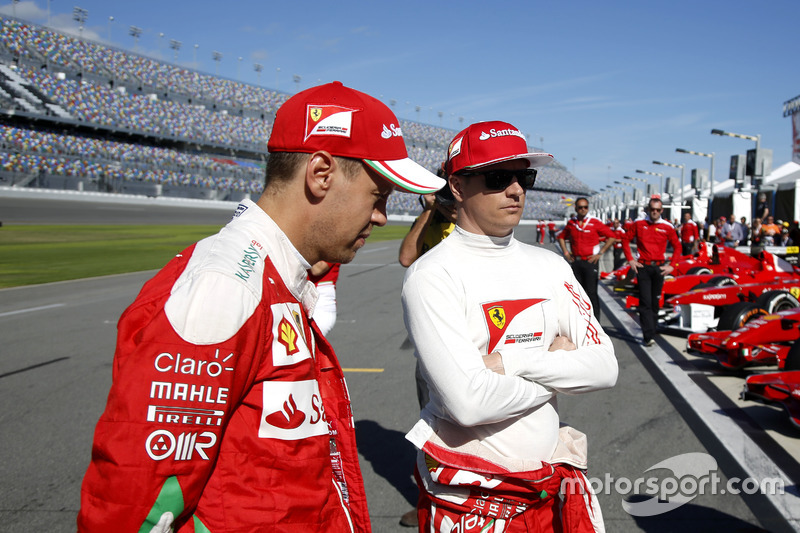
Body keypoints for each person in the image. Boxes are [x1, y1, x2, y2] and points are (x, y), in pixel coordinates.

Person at [77, 81, 445, 533]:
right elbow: (136, 502)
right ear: (321, 174)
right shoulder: (226, 288)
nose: (382, 216)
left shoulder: (278, 277)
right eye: (379, 195)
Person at [402, 120, 617, 531]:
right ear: (458, 187)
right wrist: (557, 365)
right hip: (470, 500)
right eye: (499, 177)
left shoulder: (551, 266)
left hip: (548, 483)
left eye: (524, 177)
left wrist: (508, 361)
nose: (516, 190)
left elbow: (605, 368)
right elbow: (469, 404)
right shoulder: (432, 275)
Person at [622, 196, 682, 347]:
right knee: (645, 302)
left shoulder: (667, 226)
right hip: (643, 267)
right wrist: (630, 259)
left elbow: (677, 247)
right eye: (652, 209)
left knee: (655, 303)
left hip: (659, 269)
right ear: (648, 210)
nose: (655, 212)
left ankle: (652, 330)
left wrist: (672, 265)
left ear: (661, 211)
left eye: (657, 210)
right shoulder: (639, 224)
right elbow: (625, 240)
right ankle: (647, 335)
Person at [557, 197, 616, 319]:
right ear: (576, 208)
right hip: (576, 262)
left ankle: (595, 322)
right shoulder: (572, 223)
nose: (583, 210)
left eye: (585, 207)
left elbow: (612, 237)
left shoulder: (594, 222)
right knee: (577, 293)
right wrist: (566, 253)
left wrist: (600, 253)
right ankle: (581, 320)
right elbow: (561, 237)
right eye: (580, 207)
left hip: (590, 262)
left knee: (591, 292)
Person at [398, 180, 457, 268]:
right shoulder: (424, 222)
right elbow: (406, 260)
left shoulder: (472, 222)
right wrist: (429, 208)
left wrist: (460, 221)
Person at [308, 261, 340, 336]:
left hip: (319, 305)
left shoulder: (333, 249)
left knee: (307, 344)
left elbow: (317, 269)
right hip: (301, 298)